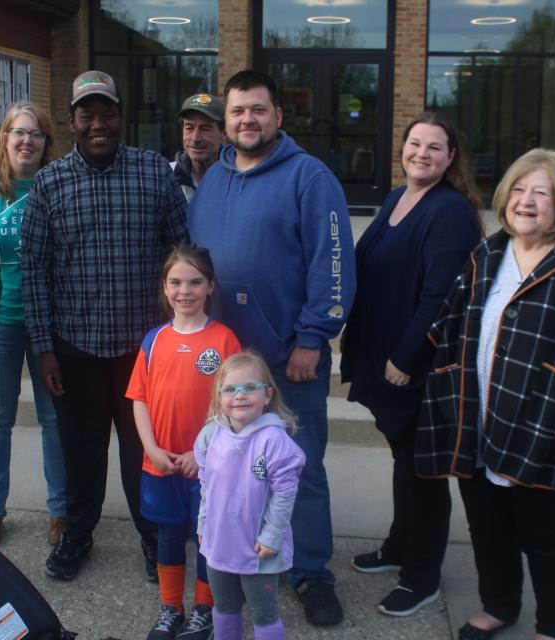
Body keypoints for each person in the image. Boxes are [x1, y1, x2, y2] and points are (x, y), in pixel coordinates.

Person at [416, 149, 555, 640]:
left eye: (542, 193)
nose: (527, 201)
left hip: (546, 427)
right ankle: (499, 605)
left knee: (549, 537)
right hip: (478, 420)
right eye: (518, 189)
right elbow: (449, 328)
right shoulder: (487, 254)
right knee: (487, 527)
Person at [188, 69, 355, 626]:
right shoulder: (214, 179)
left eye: (258, 110)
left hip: (289, 360)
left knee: (297, 471)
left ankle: (310, 573)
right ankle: (247, 561)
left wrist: (313, 337)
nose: (247, 120)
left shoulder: (311, 178)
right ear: (226, 120)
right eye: (237, 112)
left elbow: (332, 266)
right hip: (229, 364)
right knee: (234, 471)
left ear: (278, 116)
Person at [20, 70, 190, 582]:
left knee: (144, 453)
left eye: (107, 113)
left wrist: (181, 335)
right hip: (75, 350)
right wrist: (44, 349)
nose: (99, 124)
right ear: (71, 122)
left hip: (143, 354)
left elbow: (181, 255)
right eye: (87, 115)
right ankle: (77, 534)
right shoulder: (49, 183)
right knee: (81, 451)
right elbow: (34, 269)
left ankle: (153, 538)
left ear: (121, 116)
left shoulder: (154, 173)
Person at [339, 111, 483, 616]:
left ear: (451, 157)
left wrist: (407, 355)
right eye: (415, 143)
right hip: (383, 354)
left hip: (417, 365)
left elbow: (442, 296)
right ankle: (400, 546)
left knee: (424, 471)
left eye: (434, 147)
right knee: (405, 460)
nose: (421, 154)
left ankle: (422, 576)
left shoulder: (450, 212)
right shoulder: (398, 198)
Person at [126, 245, 241, 640]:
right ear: (164, 287)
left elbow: (235, 408)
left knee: (209, 537)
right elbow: (139, 399)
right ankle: (171, 607)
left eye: (195, 282)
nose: (184, 291)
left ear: (210, 287)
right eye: (176, 282)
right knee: (170, 535)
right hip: (160, 463)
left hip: (210, 466)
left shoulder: (225, 341)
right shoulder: (154, 339)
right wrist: (152, 449)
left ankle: (204, 609)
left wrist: (201, 452)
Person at [0, 102, 67, 546]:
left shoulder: (58, 185)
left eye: (36, 134)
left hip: (50, 322)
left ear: (47, 144)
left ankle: (61, 512)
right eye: (18, 132)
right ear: (5, 138)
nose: (27, 140)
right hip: (0, 320)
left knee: (54, 420)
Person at [194, 351, 306, 640]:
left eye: (250, 387)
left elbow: (284, 493)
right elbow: (206, 486)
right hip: (219, 545)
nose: (240, 395)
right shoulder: (210, 436)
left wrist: (272, 536)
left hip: (259, 551)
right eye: (231, 389)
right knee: (225, 607)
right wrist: (203, 525)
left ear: (267, 395)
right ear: (219, 396)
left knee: (263, 614)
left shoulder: (274, 439)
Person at [170, 93, 226, 202]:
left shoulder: (239, 177)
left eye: (205, 128)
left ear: (223, 134)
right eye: (189, 128)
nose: (195, 138)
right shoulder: (168, 175)